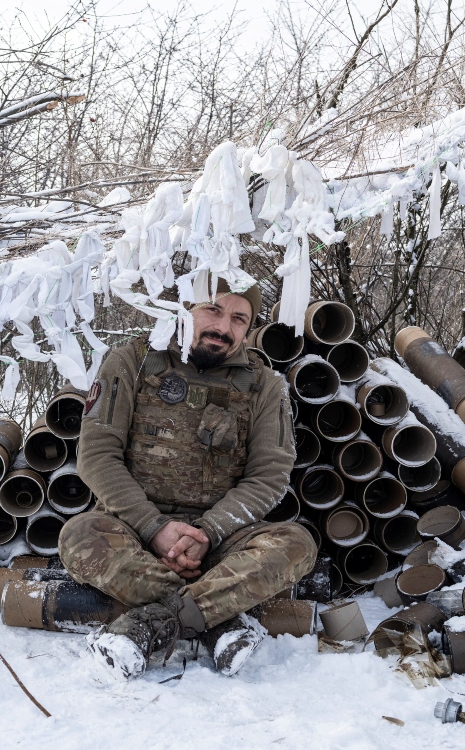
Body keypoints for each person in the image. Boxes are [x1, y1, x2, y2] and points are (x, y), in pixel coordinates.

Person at [58, 279, 317, 678]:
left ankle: (151, 621)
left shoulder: (266, 386)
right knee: (79, 536)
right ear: (184, 308)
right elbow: (97, 457)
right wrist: (154, 528)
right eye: (212, 309)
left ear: (248, 329)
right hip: (132, 532)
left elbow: (268, 476)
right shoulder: (131, 360)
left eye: (238, 318)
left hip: (220, 542)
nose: (223, 327)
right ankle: (218, 623)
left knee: (296, 544)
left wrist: (208, 534)